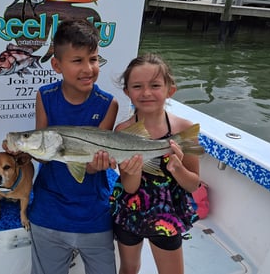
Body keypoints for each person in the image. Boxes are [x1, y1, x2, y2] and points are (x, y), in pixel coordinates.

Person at [24, 19, 118, 274]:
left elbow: (91, 166)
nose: (88, 68)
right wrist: (25, 150)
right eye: (77, 61)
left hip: (94, 213)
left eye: (94, 59)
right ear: (56, 64)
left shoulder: (108, 104)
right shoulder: (44, 96)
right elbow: (43, 157)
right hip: (48, 210)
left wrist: (93, 166)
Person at [110, 53, 200, 274]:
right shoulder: (123, 131)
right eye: (137, 86)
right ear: (127, 93)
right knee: (129, 268)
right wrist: (133, 171)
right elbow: (130, 188)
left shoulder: (184, 129)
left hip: (167, 213)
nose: (146, 93)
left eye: (155, 85)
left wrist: (177, 168)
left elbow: (193, 184)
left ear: (170, 90)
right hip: (130, 211)